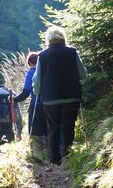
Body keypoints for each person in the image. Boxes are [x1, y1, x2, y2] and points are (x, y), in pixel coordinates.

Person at [33, 25, 87, 164]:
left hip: (49, 98)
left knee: (53, 128)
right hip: (71, 96)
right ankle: (67, 156)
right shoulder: (72, 52)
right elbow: (83, 74)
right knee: (68, 126)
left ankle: (54, 159)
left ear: (48, 39)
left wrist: (37, 92)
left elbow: (37, 79)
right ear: (63, 37)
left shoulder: (42, 55)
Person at [13, 51, 47, 162]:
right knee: (47, 130)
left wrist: (13, 100)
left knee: (35, 132)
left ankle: (37, 157)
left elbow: (25, 93)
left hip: (36, 106)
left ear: (29, 62)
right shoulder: (45, 71)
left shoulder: (31, 73)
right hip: (49, 105)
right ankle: (49, 155)